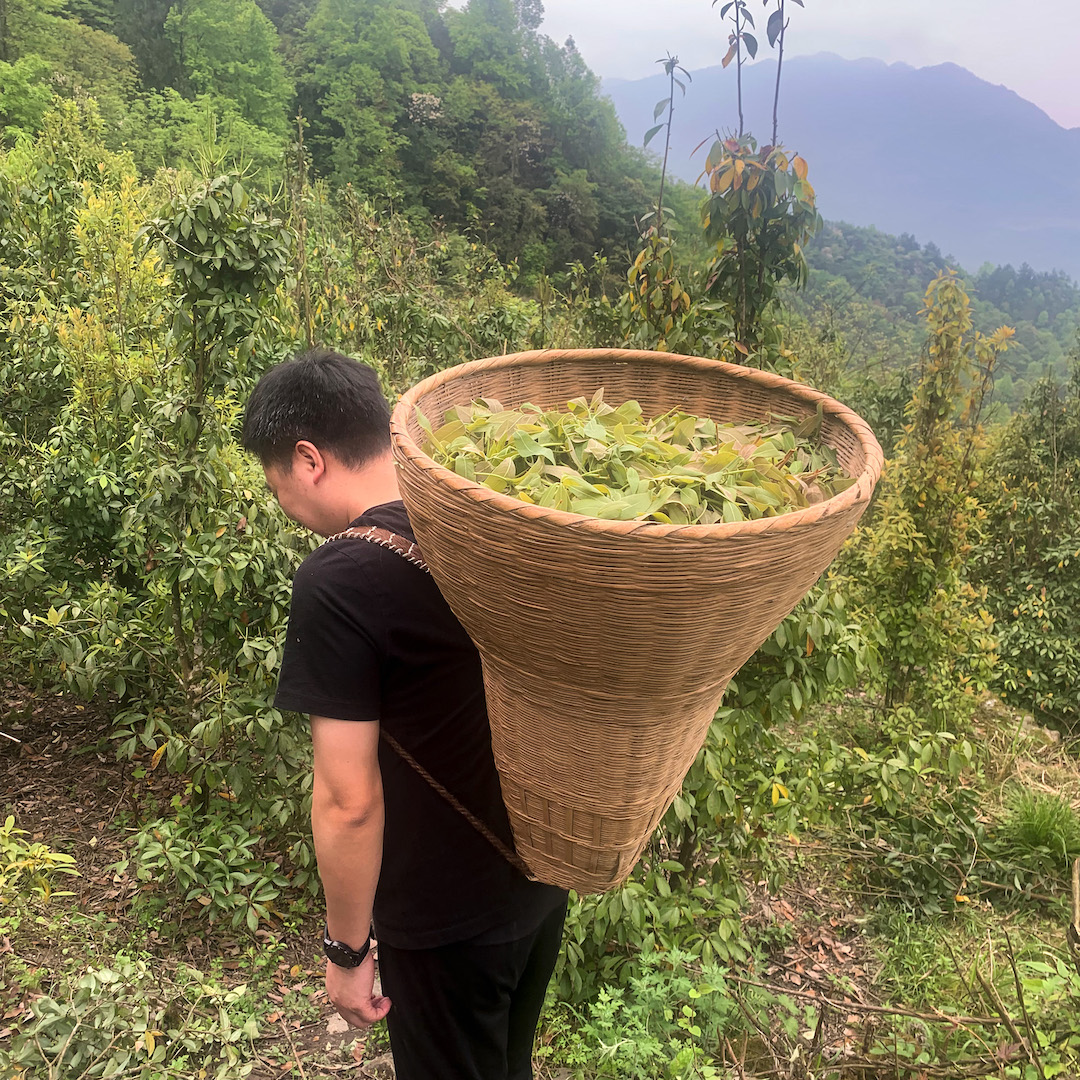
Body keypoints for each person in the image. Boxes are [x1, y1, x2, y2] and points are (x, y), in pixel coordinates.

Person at [241, 347, 568, 1080]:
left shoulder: (340, 578)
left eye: (276, 486)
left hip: (444, 918)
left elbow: (348, 800)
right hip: (540, 876)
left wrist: (347, 953)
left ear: (308, 459)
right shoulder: (488, 524)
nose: (287, 509)